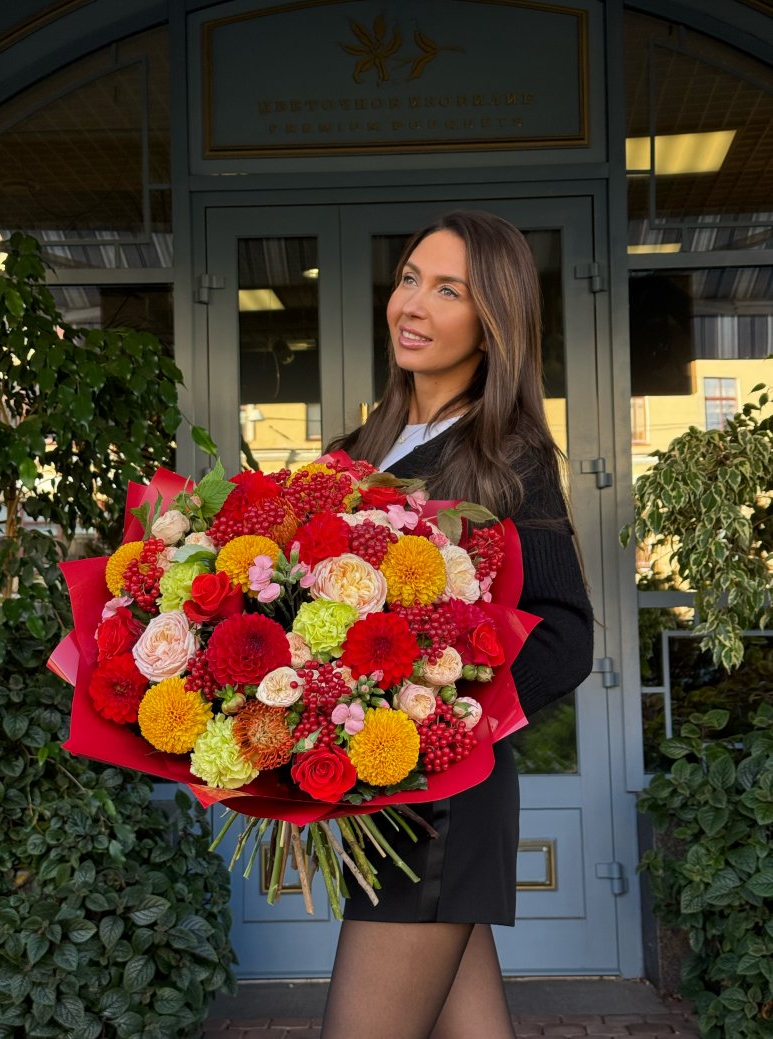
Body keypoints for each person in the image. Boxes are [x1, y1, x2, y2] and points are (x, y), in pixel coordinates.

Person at [321, 210, 594, 1039]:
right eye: (409, 278)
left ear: (492, 322)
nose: (412, 304)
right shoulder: (352, 453)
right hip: (382, 801)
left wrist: (437, 721)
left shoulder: (505, 456)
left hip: (442, 798)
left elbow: (563, 637)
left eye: (448, 291)